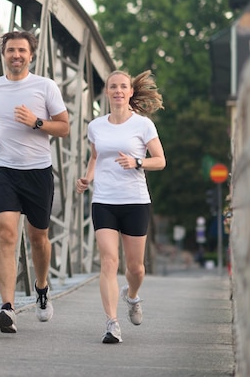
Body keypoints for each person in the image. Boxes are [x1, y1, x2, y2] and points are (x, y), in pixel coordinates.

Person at [0, 30, 70, 333]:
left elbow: (64, 128)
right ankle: (7, 308)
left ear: (31, 55)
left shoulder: (45, 87)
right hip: (4, 169)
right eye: (10, 50)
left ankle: (42, 288)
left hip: (38, 172)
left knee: (38, 238)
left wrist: (36, 122)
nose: (16, 55)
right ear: (3, 54)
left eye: (21, 50)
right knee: (6, 234)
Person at [76, 69, 165, 344]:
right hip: (104, 200)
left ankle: (133, 296)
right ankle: (112, 323)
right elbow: (95, 157)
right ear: (107, 92)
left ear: (130, 92)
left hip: (135, 201)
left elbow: (160, 160)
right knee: (109, 261)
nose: (117, 91)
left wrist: (137, 162)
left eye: (122, 86)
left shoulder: (143, 125)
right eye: (112, 86)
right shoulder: (96, 126)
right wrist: (87, 178)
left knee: (136, 268)